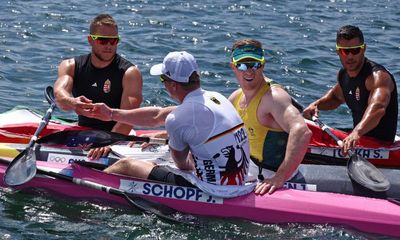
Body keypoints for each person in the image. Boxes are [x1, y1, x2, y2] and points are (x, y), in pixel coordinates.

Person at [88, 51, 255, 198]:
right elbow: (157, 116)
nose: (164, 84)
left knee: (127, 165)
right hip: (239, 181)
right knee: (159, 160)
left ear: (173, 84)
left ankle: (88, 190)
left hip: (212, 191)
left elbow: (183, 165)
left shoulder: (179, 118)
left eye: (163, 79)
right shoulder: (216, 97)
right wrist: (111, 113)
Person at [228, 39, 312, 196]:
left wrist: (280, 177)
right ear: (233, 66)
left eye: (255, 64)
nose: (249, 71)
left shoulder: (273, 98)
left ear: (263, 64)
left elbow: (302, 132)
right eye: (242, 65)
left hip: (271, 176)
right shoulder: (236, 97)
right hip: (249, 168)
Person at [53, 14, 143, 160]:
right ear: (90, 40)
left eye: (114, 41)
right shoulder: (70, 66)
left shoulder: (130, 73)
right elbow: (60, 96)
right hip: (84, 131)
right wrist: (73, 102)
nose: (109, 46)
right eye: (103, 40)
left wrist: (108, 143)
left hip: (118, 135)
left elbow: (129, 117)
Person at [303, 25, 398, 153]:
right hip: (357, 139)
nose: (349, 57)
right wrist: (316, 105)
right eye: (344, 51)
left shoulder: (378, 77)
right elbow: (335, 98)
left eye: (355, 51)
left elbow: (378, 109)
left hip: (379, 145)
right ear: (337, 51)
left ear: (363, 49)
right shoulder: (343, 74)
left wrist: (357, 133)